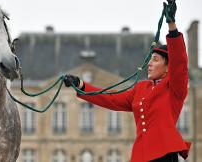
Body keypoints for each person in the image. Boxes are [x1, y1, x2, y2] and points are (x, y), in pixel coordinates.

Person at [63, 0, 191, 161]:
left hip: (164, 154)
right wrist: (80, 85)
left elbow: (180, 62)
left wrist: (171, 25)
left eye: (156, 60)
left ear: (167, 68)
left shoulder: (174, 88)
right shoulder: (141, 88)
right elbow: (111, 98)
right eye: (150, 59)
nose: (149, 64)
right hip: (141, 155)